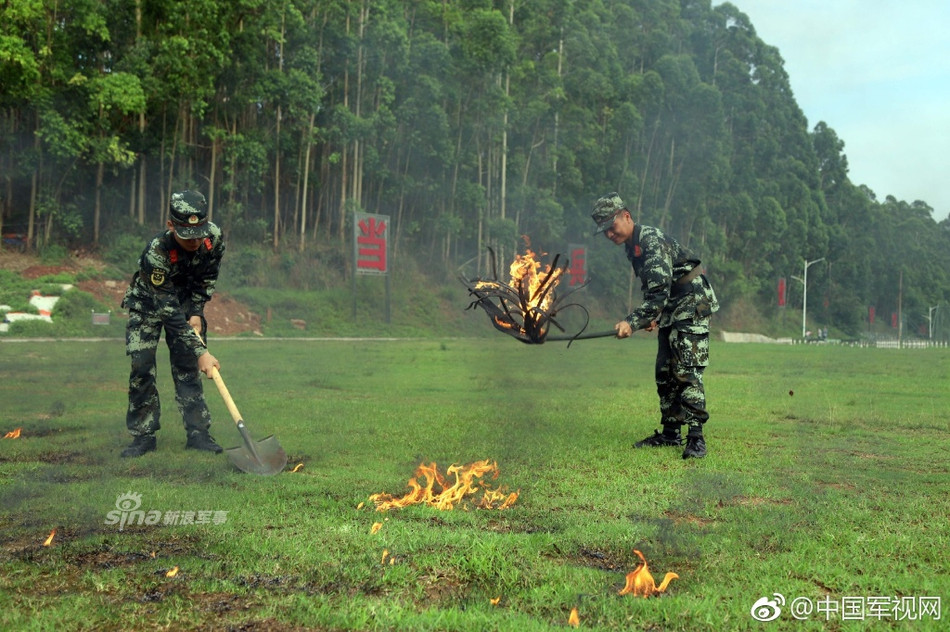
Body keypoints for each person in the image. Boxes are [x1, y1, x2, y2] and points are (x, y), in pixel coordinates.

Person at [591, 193, 719, 459]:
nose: (609, 235)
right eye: (604, 232)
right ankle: (671, 433)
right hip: (672, 304)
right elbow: (653, 287)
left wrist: (632, 321)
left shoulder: (650, 240)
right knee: (664, 370)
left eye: (611, 227)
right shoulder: (633, 246)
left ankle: (696, 437)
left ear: (626, 216)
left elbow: (658, 294)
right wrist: (651, 317)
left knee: (686, 367)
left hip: (691, 301)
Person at [120, 190, 226, 458]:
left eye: (199, 233)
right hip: (149, 305)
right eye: (187, 236)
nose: (195, 241)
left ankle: (198, 433)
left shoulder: (213, 237)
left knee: (187, 369)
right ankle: (143, 436)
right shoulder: (156, 253)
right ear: (170, 226)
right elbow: (167, 310)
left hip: (186, 302)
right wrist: (202, 351)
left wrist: (197, 311)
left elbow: (207, 278)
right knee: (141, 367)